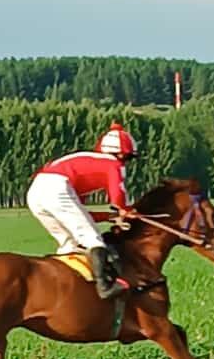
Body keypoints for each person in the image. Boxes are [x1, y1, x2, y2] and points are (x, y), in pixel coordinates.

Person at [27, 122, 138, 299]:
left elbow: (81, 212)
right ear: (120, 154)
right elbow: (117, 195)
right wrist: (125, 209)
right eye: (129, 158)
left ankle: (66, 290)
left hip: (35, 192)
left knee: (70, 244)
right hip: (56, 187)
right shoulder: (113, 164)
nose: (127, 163)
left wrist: (110, 216)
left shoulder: (88, 162)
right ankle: (104, 287)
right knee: (93, 239)